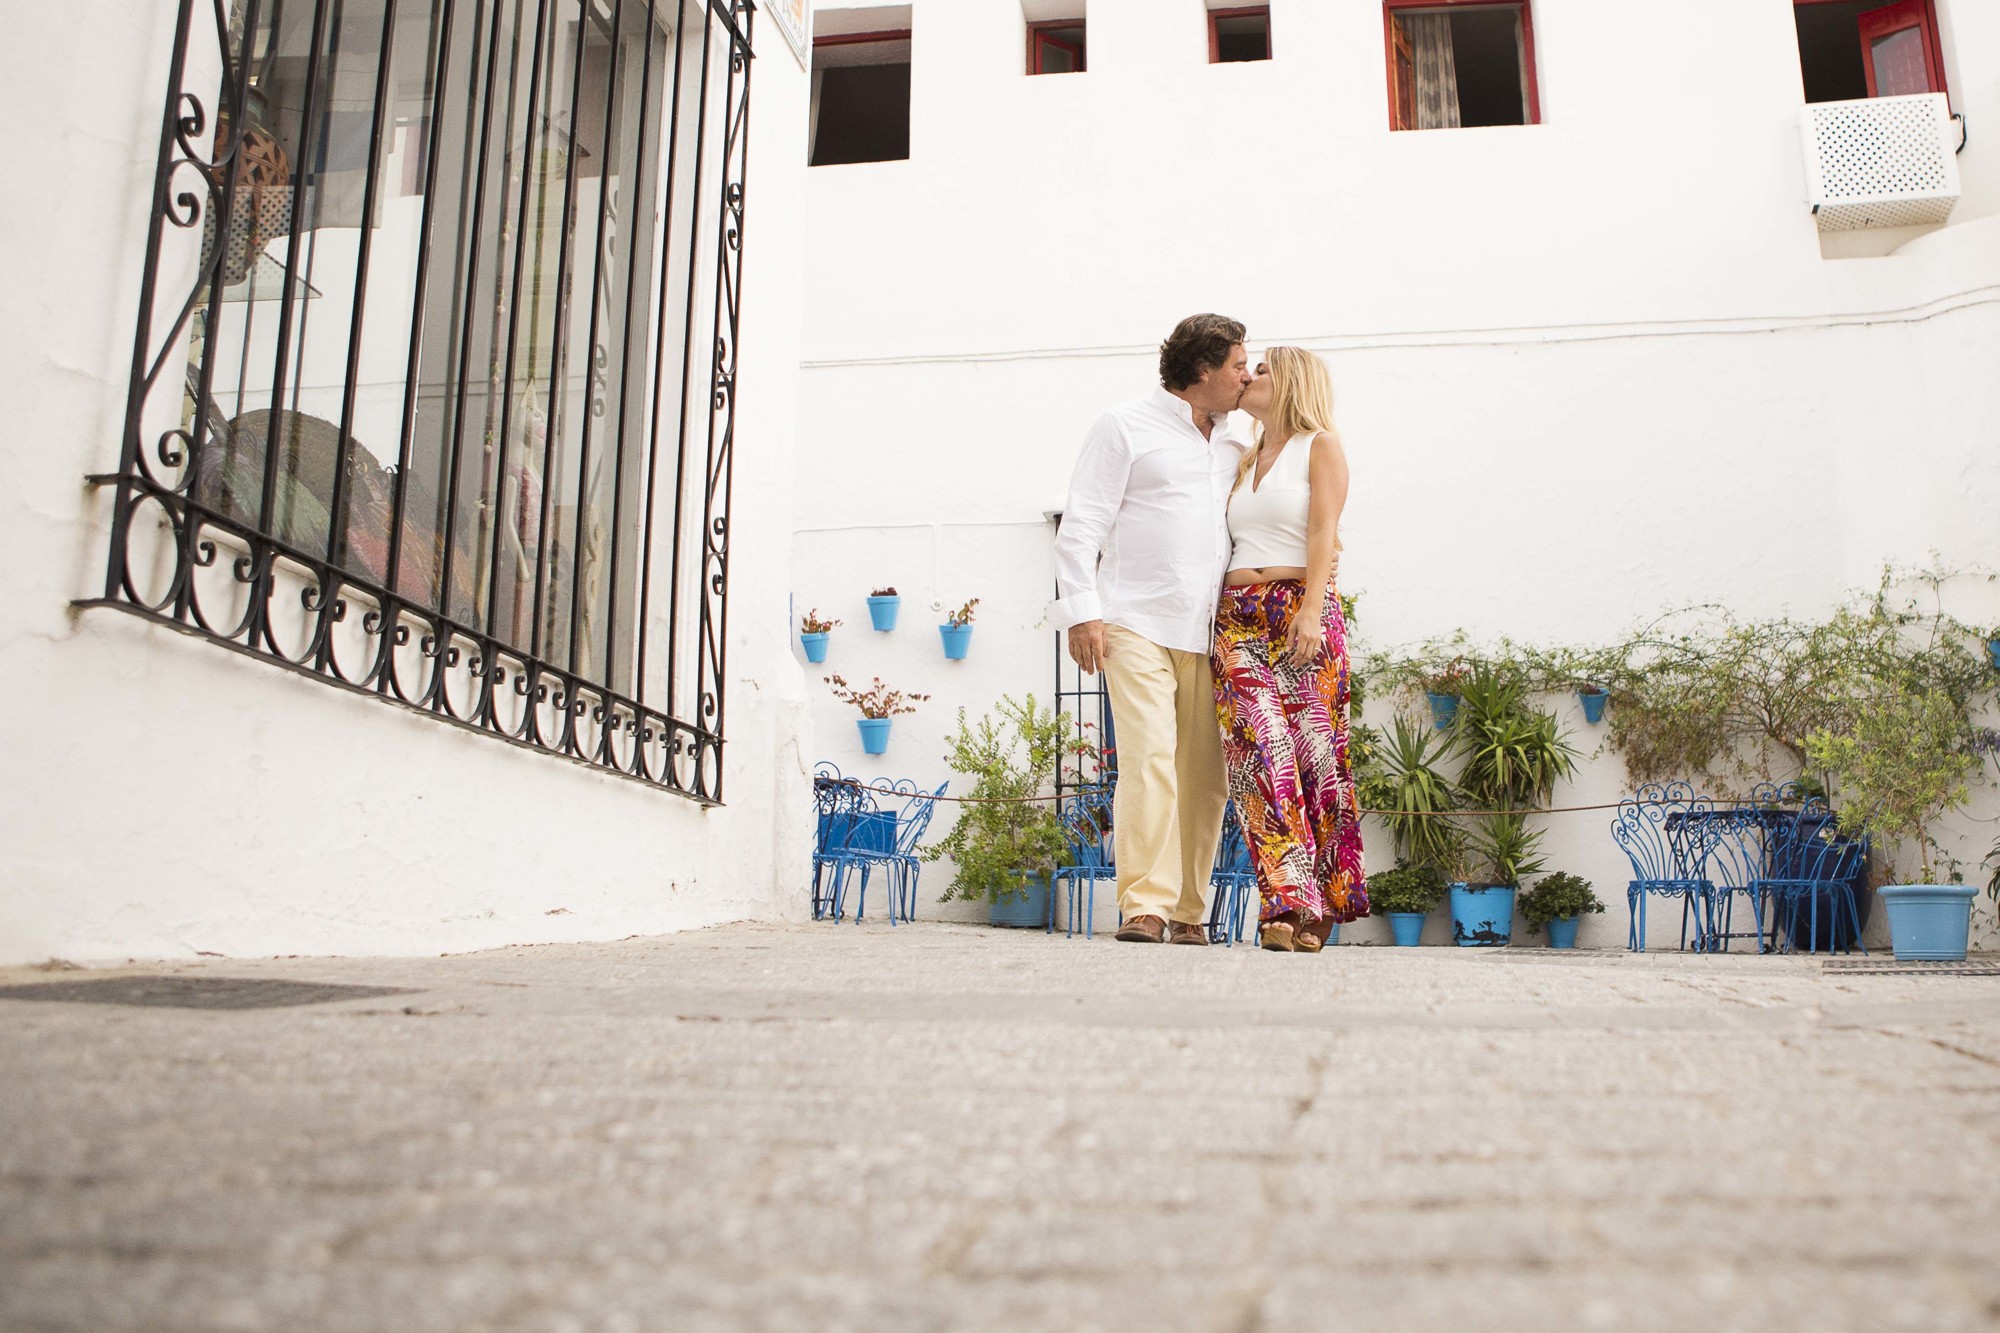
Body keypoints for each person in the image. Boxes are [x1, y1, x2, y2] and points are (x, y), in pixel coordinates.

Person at [1050, 314, 1253, 945]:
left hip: (1212, 628)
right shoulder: (1123, 425)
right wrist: (1082, 610)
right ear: (1203, 371)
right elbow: (1082, 522)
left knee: (1206, 776)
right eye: (1238, 366)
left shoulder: (1239, 435)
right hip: (1136, 618)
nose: (1247, 376)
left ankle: (1191, 911)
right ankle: (1145, 904)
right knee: (1148, 760)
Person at [1211, 346, 1369, 952]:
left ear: (1293, 381)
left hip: (1299, 608)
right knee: (1261, 752)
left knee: (1315, 757)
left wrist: (1309, 608)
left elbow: (1324, 533)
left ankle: (1320, 905)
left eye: (1263, 368)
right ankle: (1287, 900)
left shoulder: (1319, 445)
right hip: (1237, 616)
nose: (1249, 375)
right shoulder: (1242, 456)